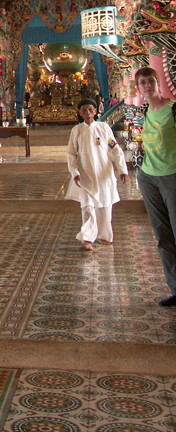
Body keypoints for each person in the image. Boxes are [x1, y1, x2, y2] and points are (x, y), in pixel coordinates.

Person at [135, 66, 176, 306]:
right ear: (138, 88)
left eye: (151, 81)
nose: (147, 86)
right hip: (148, 177)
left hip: (171, 175)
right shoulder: (143, 112)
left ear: (158, 82)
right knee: (162, 235)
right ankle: (174, 287)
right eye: (142, 83)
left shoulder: (172, 110)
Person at [66, 98, 128, 252]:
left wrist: (122, 170)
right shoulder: (77, 131)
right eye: (84, 110)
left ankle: (105, 236)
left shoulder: (104, 128)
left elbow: (115, 149)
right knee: (87, 207)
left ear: (95, 111)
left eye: (90, 110)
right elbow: (71, 154)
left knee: (105, 205)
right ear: (79, 113)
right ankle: (87, 239)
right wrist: (75, 172)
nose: (87, 113)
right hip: (85, 175)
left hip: (103, 173)